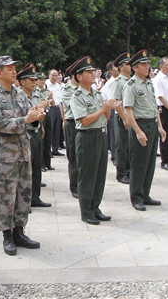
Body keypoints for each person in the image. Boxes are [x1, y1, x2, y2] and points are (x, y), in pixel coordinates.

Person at [0, 55, 45, 256]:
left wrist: (36, 117)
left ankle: (19, 231)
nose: (14, 71)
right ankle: (7, 235)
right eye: (9, 68)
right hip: (5, 156)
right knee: (6, 196)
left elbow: (29, 118)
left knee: (23, 194)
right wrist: (25, 120)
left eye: (14, 68)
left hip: (23, 151)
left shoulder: (19, 93)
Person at [70, 57, 120, 224]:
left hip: (100, 135)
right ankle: (86, 211)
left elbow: (106, 116)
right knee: (87, 176)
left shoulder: (98, 94)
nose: (92, 74)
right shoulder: (77, 96)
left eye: (93, 71)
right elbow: (84, 120)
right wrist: (103, 109)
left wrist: (109, 108)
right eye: (88, 72)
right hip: (87, 137)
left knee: (99, 174)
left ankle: (95, 207)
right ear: (79, 76)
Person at [123, 50, 166, 211]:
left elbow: (154, 107)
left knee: (149, 163)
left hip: (152, 124)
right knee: (139, 163)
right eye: (143, 64)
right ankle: (136, 197)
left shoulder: (149, 84)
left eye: (148, 64)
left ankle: (145, 194)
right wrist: (138, 131)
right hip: (140, 125)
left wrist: (160, 126)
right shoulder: (131, 85)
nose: (147, 67)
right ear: (135, 67)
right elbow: (128, 110)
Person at [17, 63, 51, 208]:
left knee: (37, 167)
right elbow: (23, 117)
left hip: (36, 133)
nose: (34, 82)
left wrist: (41, 122)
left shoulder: (36, 95)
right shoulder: (18, 97)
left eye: (35, 79)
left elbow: (38, 116)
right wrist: (38, 110)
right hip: (25, 134)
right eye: (31, 80)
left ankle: (35, 198)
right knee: (25, 170)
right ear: (22, 81)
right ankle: (24, 201)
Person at [61, 60, 81, 198]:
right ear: (76, 75)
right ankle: (75, 186)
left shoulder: (86, 88)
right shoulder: (67, 89)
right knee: (74, 156)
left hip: (86, 125)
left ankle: (84, 184)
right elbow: (76, 108)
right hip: (73, 124)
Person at [111, 52, 132, 184]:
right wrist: (125, 118)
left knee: (130, 146)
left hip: (132, 117)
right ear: (121, 67)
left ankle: (129, 170)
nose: (131, 66)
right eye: (127, 64)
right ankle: (122, 173)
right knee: (122, 146)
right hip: (121, 117)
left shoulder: (131, 80)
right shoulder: (118, 82)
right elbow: (116, 102)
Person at [35, 72, 54, 172]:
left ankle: (48, 163)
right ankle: (41, 164)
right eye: (40, 79)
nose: (42, 81)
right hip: (40, 114)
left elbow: (53, 104)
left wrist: (50, 97)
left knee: (48, 139)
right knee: (41, 140)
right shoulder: (35, 91)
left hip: (48, 113)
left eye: (43, 79)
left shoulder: (47, 91)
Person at [46, 69, 64, 156]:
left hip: (57, 107)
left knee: (57, 129)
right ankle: (48, 150)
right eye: (53, 75)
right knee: (50, 129)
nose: (54, 77)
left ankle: (55, 149)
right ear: (49, 75)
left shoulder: (58, 85)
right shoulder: (46, 84)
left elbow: (60, 98)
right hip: (49, 107)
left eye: (56, 76)